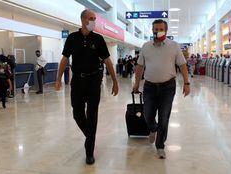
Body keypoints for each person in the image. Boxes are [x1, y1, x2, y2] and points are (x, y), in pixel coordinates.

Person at [55, 9, 119, 165]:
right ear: (83, 20)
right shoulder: (72, 38)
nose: (94, 21)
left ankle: (89, 151)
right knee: (77, 114)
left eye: (94, 18)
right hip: (77, 81)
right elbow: (64, 59)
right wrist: (58, 79)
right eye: (91, 18)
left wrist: (115, 82)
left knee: (92, 115)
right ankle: (90, 136)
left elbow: (108, 61)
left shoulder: (98, 39)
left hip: (93, 81)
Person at [133, 19, 190, 159]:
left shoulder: (174, 46)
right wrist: (136, 83)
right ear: (152, 31)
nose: (157, 31)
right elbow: (140, 66)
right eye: (155, 29)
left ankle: (160, 146)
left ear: (166, 30)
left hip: (167, 87)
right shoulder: (146, 46)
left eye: (160, 29)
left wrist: (187, 83)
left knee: (164, 118)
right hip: (149, 87)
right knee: (147, 115)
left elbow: (182, 65)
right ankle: (153, 129)